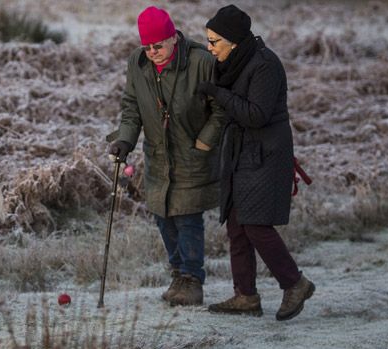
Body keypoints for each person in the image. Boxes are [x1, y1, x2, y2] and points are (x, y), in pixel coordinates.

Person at [195, 5, 315, 320]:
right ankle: (245, 296)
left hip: (266, 155)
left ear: (233, 41)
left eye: (214, 41)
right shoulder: (231, 62)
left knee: (255, 225)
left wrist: (218, 94)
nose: (209, 47)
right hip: (241, 154)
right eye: (208, 40)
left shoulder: (265, 65)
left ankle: (295, 283)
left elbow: (256, 115)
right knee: (236, 224)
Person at [107, 6, 225, 306]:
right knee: (163, 217)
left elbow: (221, 110)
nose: (152, 52)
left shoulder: (201, 61)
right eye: (147, 46)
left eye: (158, 45)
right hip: (158, 156)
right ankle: (178, 274)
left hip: (192, 155)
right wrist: (125, 139)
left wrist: (204, 144)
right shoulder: (138, 62)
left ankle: (192, 279)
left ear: (173, 37)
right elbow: (132, 105)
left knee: (187, 217)